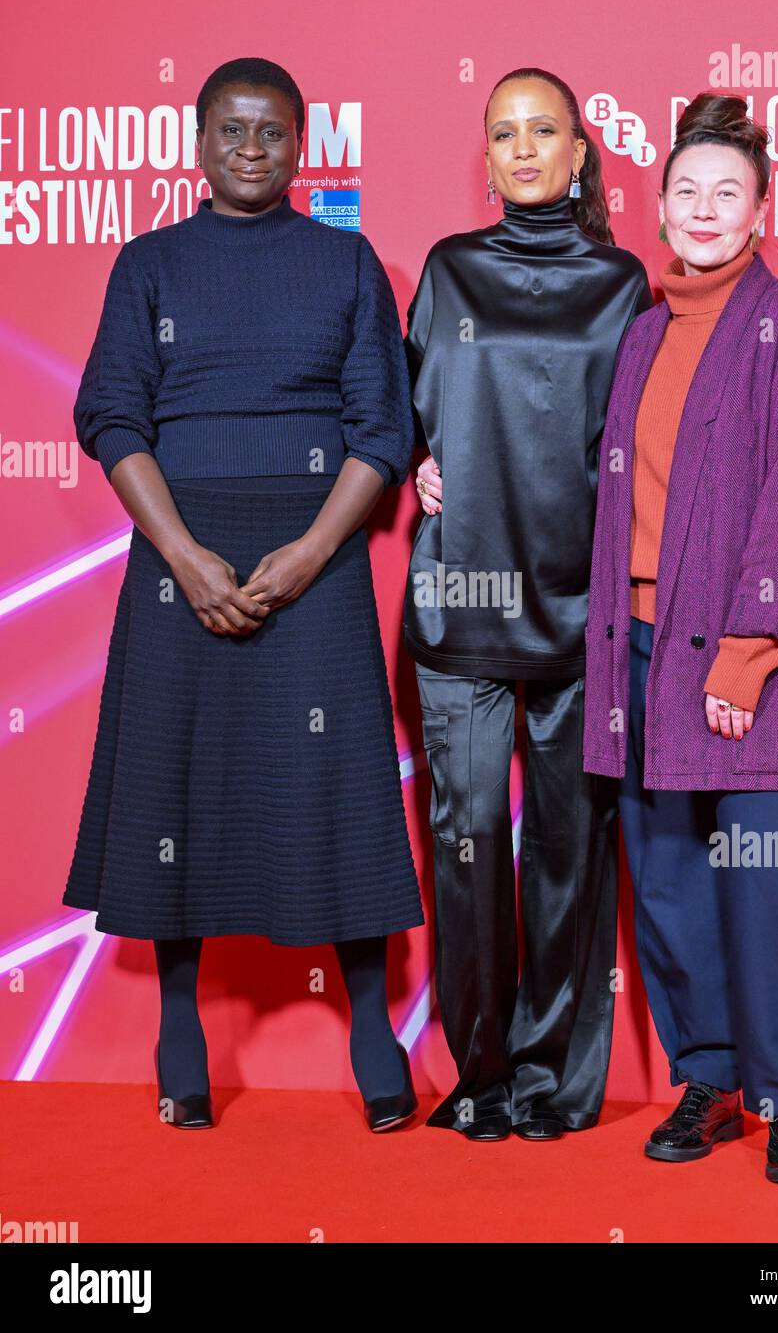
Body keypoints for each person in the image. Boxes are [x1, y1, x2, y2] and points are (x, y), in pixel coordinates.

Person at [63, 57, 423, 1133]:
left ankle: (371, 1032)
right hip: (183, 551)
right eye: (232, 130)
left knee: (339, 784)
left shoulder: (347, 263)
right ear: (200, 140)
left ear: (301, 147)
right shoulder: (149, 266)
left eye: (272, 134)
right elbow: (112, 416)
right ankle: (182, 1032)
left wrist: (313, 553)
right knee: (177, 778)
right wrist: (182, 554)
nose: (252, 150)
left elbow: (383, 429)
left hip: (316, 552)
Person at [584, 91, 778, 1182]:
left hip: (757, 657)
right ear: (655, 205)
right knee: (666, 874)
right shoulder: (644, 333)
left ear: (760, 208)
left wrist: (747, 651)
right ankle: (706, 1074)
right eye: (685, 192)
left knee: (770, 872)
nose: (703, 211)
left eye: (727, 194)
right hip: (645, 646)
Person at [404, 67, 652, 1141]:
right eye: (501, 132)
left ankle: (551, 1078)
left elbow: (639, 443)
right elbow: (411, 411)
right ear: (488, 153)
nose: (519, 148)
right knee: (465, 845)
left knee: (566, 847)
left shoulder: (621, 280)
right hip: (460, 599)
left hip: (576, 604)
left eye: (540, 129)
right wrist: (424, 464)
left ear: (575, 151)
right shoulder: (449, 270)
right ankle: (481, 1074)